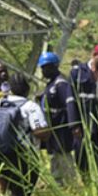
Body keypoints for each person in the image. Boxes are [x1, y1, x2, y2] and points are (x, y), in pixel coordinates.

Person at [0, 72, 49, 196]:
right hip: (24, 155)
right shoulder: (30, 106)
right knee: (23, 191)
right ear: (26, 89)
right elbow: (39, 132)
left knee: (14, 189)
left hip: (1, 153)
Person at [70, 43, 98, 171]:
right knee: (81, 156)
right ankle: (87, 182)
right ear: (94, 55)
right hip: (83, 123)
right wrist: (74, 124)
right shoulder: (77, 73)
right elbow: (71, 100)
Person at [39, 51, 80, 184]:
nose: (43, 71)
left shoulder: (61, 83)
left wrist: (73, 125)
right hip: (52, 129)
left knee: (64, 157)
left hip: (61, 129)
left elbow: (69, 104)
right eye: (42, 68)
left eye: (46, 67)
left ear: (54, 66)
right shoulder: (51, 84)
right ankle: (59, 183)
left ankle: (70, 183)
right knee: (54, 157)